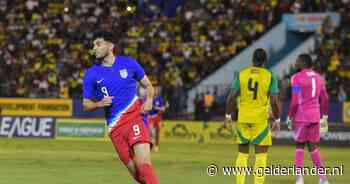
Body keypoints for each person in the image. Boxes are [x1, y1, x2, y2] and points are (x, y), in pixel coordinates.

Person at [82, 31, 158, 184]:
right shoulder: (91, 74)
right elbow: (86, 104)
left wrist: (149, 99)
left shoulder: (128, 63)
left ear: (110, 46)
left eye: (98, 44)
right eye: (93, 45)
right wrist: (98, 104)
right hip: (115, 129)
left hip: (135, 119)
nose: (94, 48)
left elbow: (148, 85)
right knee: (139, 176)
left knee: (144, 167)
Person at [225, 48, 281, 184]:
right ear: (265, 61)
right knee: (261, 157)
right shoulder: (270, 76)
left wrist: (228, 116)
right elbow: (274, 101)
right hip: (260, 120)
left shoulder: (241, 74)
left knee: (242, 155)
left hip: (243, 119)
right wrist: (277, 119)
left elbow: (232, 97)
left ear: (252, 59)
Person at [286, 54, 329, 184]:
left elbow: (294, 101)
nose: (295, 62)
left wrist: (289, 117)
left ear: (302, 63)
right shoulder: (320, 78)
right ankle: (323, 179)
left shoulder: (296, 78)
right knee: (313, 147)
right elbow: (325, 98)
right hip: (315, 116)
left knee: (299, 145)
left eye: (297, 60)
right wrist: (325, 117)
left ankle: (299, 179)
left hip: (301, 116)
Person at [148, 85, 166, 152]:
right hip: (150, 117)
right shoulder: (149, 98)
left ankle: (156, 146)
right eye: (154, 90)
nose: (155, 91)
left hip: (157, 117)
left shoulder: (160, 99)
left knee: (157, 132)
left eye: (156, 90)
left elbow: (163, 109)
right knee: (151, 132)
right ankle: (152, 145)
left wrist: (157, 108)